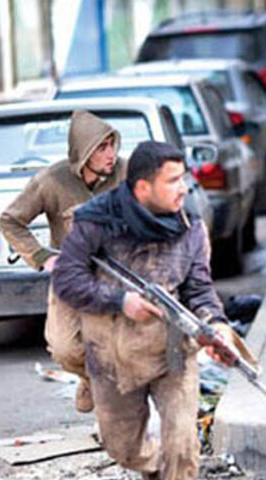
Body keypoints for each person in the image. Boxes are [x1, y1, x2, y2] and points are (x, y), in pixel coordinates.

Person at [52, 141, 230, 480]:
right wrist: (120, 301)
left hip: (173, 353)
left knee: (183, 449)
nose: (183, 188)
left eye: (183, 178)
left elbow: (199, 289)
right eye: (172, 180)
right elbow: (67, 279)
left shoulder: (191, 228)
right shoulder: (97, 221)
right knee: (125, 448)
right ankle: (156, 470)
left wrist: (215, 325)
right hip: (112, 356)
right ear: (143, 187)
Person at [0, 110, 126, 413]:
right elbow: (10, 221)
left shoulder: (126, 173)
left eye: (112, 145)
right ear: (83, 152)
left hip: (118, 274)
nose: (111, 154)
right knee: (64, 348)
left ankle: (118, 405)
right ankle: (90, 378)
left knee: (127, 345)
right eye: (102, 147)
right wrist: (42, 257)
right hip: (72, 274)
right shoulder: (51, 181)